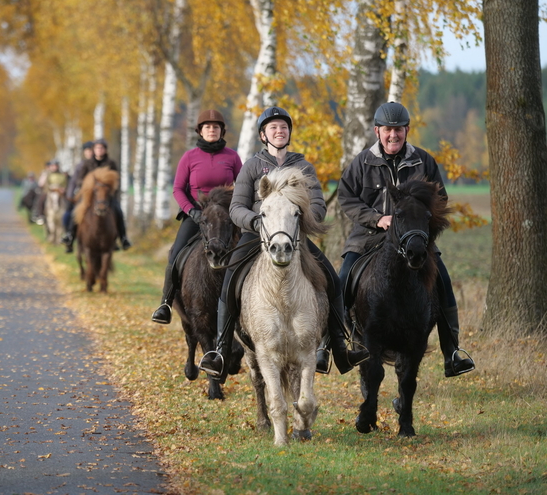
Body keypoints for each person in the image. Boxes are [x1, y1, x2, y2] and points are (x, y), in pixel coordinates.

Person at [198, 107, 370, 380]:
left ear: (289, 132)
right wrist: (256, 222)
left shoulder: (303, 166)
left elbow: (317, 204)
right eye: (273, 127)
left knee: (332, 278)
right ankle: (219, 350)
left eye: (284, 127)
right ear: (263, 135)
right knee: (230, 278)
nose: (279, 131)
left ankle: (339, 346)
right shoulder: (253, 166)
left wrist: (301, 219)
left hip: (294, 236)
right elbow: (236, 208)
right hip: (257, 235)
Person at [338, 101, 475, 377]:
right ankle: (333, 345)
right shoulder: (362, 162)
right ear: (377, 131)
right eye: (388, 130)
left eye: (399, 130)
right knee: (342, 279)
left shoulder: (423, 161)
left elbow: (441, 200)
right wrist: (377, 218)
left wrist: (421, 229)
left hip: (413, 241)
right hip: (368, 238)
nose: (393, 135)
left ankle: (453, 352)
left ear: (407, 130)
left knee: (444, 280)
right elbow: (346, 198)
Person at [151, 110, 243, 324]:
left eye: (216, 127)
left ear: (222, 131)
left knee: (248, 250)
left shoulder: (232, 156)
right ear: (200, 131)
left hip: (225, 218)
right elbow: (177, 189)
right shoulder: (189, 157)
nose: (212, 130)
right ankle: (165, 303)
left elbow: (243, 186)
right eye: (207, 127)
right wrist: (191, 211)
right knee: (175, 254)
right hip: (196, 215)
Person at [62, 138, 131, 252]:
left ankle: (123, 238)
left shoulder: (111, 163)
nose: (99, 150)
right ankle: (70, 235)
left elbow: (116, 181)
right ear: (93, 150)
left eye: (101, 148)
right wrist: (89, 183)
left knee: (118, 211)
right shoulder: (87, 163)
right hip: (89, 196)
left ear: (105, 150)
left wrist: (109, 189)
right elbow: (79, 180)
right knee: (76, 211)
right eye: (97, 148)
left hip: (106, 196)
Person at [62, 141, 94, 252]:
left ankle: (119, 237)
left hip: (99, 196)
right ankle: (69, 236)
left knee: (116, 211)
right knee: (69, 215)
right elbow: (74, 181)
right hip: (83, 195)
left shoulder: (102, 163)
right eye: (88, 150)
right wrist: (70, 196)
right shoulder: (81, 165)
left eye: (92, 150)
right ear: (84, 152)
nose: (90, 153)